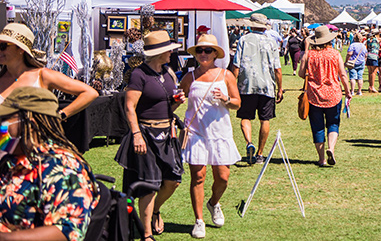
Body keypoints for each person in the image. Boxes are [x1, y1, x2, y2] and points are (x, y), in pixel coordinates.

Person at [0, 86, 99, 240]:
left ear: (29, 124)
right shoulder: (10, 160)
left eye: (4, 120)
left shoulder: (64, 168)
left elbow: (68, 231)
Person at [115, 31, 185, 241]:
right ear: (160, 52)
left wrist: (176, 102)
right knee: (150, 184)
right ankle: (146, 234)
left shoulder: (168, 72)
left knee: (173, 180)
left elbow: (166, 105)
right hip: (145, 133)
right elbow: (129, 106)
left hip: (167, 134)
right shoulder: (139, 74)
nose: (172, 52)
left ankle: (155, 211)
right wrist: (136, 134)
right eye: (169, 49)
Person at [180, 34, 242, 238]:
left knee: (223, 177)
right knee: (198, 176)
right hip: (196, 133)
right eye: (200, 50)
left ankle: (214, 203)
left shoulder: (226, 75)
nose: (203, 54)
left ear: (216, 53)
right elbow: (178, 99)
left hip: (220, 133)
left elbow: (237, 103)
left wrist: (226, 99)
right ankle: (199, 221)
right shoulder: (190, 77)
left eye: (208, 50)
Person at [0, 23, 98, 120]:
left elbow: (89, 93)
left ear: (21, 49)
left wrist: (61, 115)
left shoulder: (42, 76)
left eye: (3, 46)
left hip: (35, 135)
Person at [232, 13, 283, 165]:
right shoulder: (271, 42)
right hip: (267, 86)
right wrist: (280, 88)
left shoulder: (243, 39)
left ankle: (249, 142)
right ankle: (260, 154)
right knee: (265, 119)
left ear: (251, 24)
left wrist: (231, 84)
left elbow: (236, 65)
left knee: (245, 117)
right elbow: (277, 69)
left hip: (246, 85)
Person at [298, 26, 352, 166]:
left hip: (314, 95)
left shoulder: (309, 55)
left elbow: (301, 74)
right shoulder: (335, 54)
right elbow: (343, 75)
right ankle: (331, 148)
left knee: (317, 127)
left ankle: (321, 159)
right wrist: (348, 91)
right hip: (333, 94)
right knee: (333, 124)